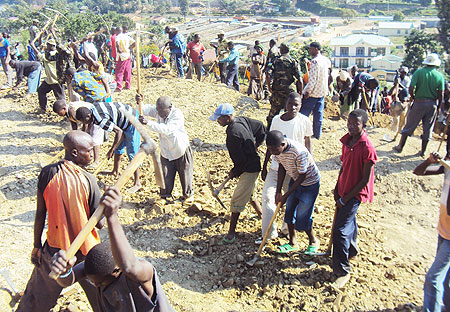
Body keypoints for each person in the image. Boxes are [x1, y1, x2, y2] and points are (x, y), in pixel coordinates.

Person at [16, 130, 103, 312]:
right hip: (86, 252)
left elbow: (40, 214)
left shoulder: (47, 174)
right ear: (74, 152)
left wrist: (37, 246)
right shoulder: (89, 180)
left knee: (36, 298)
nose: (92, 153)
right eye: (88, 150)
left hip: (55, 250)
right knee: (102, 299)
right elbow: (99, 223)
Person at [49, 186, 174, 312]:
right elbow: (67, 281)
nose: (97, 286)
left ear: (116, 271)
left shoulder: (142, 273)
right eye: (94, 283)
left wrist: (112, 217)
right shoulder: (96, 271)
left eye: (101, 283)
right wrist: (63, 271)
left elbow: (129, 267)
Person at [332, 109, 377, 288]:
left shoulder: (367, 147)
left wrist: (346, 198)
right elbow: (344, 166)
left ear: (363, 125)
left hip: (355, 193)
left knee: (339, 230)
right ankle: (351, 249)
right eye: (349, 123)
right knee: (349, 220)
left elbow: (365, 179)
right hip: (344, 189)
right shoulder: (346, 140)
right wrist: (337, 187)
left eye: (355, 124)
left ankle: (342, 270)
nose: (351, 126)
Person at [260, 92, 313, 244]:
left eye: (296, 104)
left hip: (294, 168)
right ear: (285, 104)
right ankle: (268, 234)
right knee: (268, 197)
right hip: (277, 166)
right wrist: (265, 166)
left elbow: (307, 142)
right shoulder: (277, 120)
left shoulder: (304, 121)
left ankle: (286, 228)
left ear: (301, 105)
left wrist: (309, 161)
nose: (293, 107)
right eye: (290, 104)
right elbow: (271, 144)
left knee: (290, 200)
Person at [210, 103, 266, 244]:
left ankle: (231, 233)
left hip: (250, 168)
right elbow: (261, 128)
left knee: (237, 200)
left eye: (220, 119)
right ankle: (262, 215)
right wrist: (256, 144)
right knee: (249, 193)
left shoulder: (233, 135)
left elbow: (240, 162)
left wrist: (234, 172)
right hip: (252, 163)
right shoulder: (241, 120)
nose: (218, 121)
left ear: (228, 117)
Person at [265, 130, 320, 254]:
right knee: (289, 213)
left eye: (274, 150)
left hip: (309, 184)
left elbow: (302, 176)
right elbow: (281, 168)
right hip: (295, 180)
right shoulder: (276, 149)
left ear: (283, 144)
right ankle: (292, 242)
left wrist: (287, 194)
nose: (273, 154)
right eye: (270, 151)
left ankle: (313, 241)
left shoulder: (298, 152)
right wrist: (278, 191)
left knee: (303, 216)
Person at [139, 95, 194, 203]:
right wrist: (139, 102)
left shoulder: (177, 115)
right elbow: (145, 109)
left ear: (169, 107)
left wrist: (148, 123)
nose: (159, 113)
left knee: (185, 174)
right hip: (166, 151)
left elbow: (167, 129)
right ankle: (165, 196)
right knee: (165, 174)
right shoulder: (159, 111)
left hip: (180, 149)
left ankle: (188, 196)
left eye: (162, 111)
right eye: (158, 110)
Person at [76, 101, 142, 192]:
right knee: (118, 149)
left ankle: (137, 183)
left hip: (132, 121)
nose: (85, 123)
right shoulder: (92, 109)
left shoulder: (100, 120)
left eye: (85, 121)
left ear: (88, 116)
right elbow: (120, 133)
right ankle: (115, 171)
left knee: (132, 153)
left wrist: (111, 150)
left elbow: (119, 132)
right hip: (122, 122)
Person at [413, 152, 450, 311]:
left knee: (433, 278)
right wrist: (429, 161)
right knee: (445, 278)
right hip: (443, 230)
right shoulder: (447, 167)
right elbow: (418, 171)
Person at [394, 53, 445, 156]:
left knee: (409, 125)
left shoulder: (419, 72)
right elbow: (441, 93)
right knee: (428, 128)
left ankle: (400, 147)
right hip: (432, 104)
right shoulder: (440, 76)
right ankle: (423, 151)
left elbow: (411, 87)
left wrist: (412, 97)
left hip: (419, 102)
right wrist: (438, 107)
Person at [53, 99, 105, 166]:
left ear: (63, 109)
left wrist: (82, 134)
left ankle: (96, 161)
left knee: (94, 139)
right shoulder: (68, 112)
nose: (58, 115)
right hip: (88, 119)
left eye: (59, 112)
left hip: (95, 116)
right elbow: (73, 123)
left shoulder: (72, 110)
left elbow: (85, 122)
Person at [265, 43, 302, 129]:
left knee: (273, 114)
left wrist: (269, 87)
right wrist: (300, 93)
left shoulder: (275, 60)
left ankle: (269, 132)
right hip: (290, 92)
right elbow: (299, 79)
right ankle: (288, 131)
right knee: (290, 113)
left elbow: (267, 75)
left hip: (277, 91)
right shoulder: (293, 61)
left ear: (281, 50)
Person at [300, 42, 331, 139]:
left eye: (311, 49)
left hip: (313, 93)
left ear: (316, 49)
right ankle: (317, 134)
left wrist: (307, 92)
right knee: (318, 114)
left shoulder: (314, 62)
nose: (309, 51)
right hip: (322, 91)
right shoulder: (325, 60)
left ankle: (301, 133)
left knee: (303, 115)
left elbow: (312, 80)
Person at [30, 38, 64, 111]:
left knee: (60, 97)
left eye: (48, 45)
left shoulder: (52, 55)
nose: (47, 46)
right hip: (49, 79)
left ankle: (64, 111)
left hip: (55, 80)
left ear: (52, 46)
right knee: (41, 91)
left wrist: (33, 45)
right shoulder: (53, 54)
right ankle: (43, 108)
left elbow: (40, 55)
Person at [115, 27, 135, 91]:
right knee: (127, 71)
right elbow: (134, 42)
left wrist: (119, 50)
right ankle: (128, 85)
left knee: (119, 71)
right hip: (127, 55)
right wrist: (129, 48)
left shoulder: (118, 37)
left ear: (117, 31)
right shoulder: (126, 36)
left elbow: (117, 43)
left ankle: (119, 86)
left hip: (121, 56)